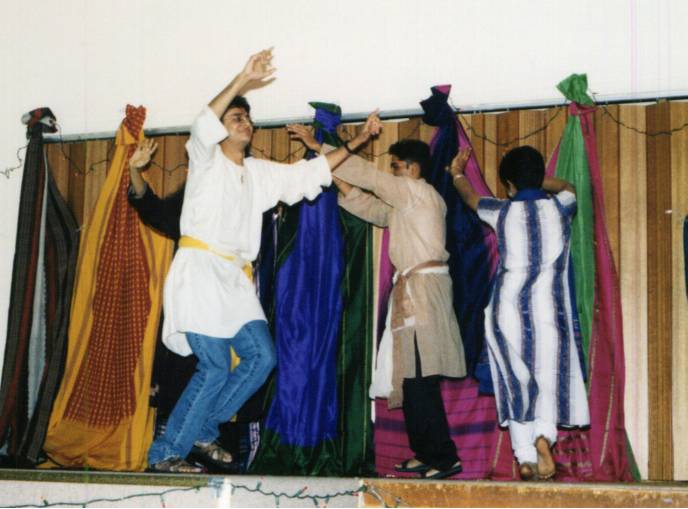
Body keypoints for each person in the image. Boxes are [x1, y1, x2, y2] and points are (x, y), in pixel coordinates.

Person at [147, 48, 381, 473]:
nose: (246, 123)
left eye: (248, 118)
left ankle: (203, 428)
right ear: (220, 128)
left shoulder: (258, 172)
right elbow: (202, 122)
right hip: (199, 272)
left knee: (262, 358)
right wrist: (243, 77)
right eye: (236, 117)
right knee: (215, 366)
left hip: (234, 279)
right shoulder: (205, 160)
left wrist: (358, 141)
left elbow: (308, 175)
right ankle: (165, 453)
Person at [288, 125, 466, 479]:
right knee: (410, 375)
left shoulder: (416, 192)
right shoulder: (408, 205)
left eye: (395, 167)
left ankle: (445, 458)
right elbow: (370, 207)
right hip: (417, 291)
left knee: (419, 377)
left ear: (411, 168)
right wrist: (332, 174)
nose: (392, 173)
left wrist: (319, 147)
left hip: (422, 292)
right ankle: (426, 452)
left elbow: (369, 177)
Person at [448, 145, 590, 480]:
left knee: (514, 383)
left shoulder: (501, 211)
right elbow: (568, 186)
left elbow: (469, 197)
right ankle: (543, 438)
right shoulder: (561, 206)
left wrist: (456, 173)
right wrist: (537, 181)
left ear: (509, 185)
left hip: (507, 311)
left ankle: (525, 457)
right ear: (541, 178)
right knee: (548, 378)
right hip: (549, 310)